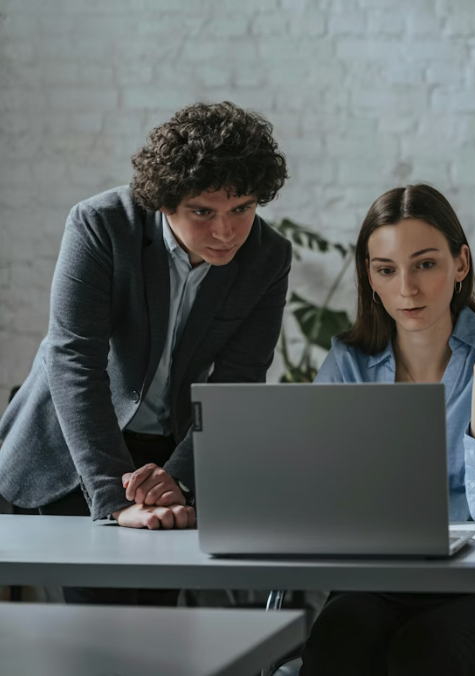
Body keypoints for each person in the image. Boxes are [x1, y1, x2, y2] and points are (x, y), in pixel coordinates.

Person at [0, 101, 292, 604]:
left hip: (169, 453)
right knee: (103, 622)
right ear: (164, 201)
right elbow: (76, 362)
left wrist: (176, 478)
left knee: (158, 626)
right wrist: (114, 499)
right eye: (203, 212)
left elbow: (237, 381)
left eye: (241, 209)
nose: (225, 232)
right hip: (76, 452)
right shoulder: (100, 225)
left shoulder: (268, 257)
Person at [299, 184, 475, 676]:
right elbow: (316, 494)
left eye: (425, 264)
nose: (406, 288)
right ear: (371, 277)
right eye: (387, 270)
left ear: (461, 263)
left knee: (421, 655)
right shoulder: (350, 362)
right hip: (375, 579)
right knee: (335, 645)